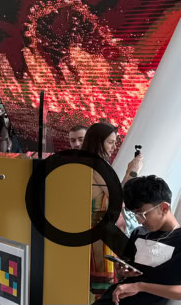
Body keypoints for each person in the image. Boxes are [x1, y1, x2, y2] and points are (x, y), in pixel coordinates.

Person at [93, 176, 181, 305]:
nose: (139, 221)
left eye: (142, 214)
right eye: (135, 215)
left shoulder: (178, 240)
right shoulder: (139, 233)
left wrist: (140, 286)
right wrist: (121, 272)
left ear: (164, 208)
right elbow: (126, 277)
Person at [84, 122, 144, 300]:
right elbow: (118, 198)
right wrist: (133, 171)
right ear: (98, 142)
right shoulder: (96, 164)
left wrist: (128, 171)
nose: (113, 147)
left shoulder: (88, 162)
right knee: (104, 289)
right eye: (110, 142)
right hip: (100, 230)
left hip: (97, 227)